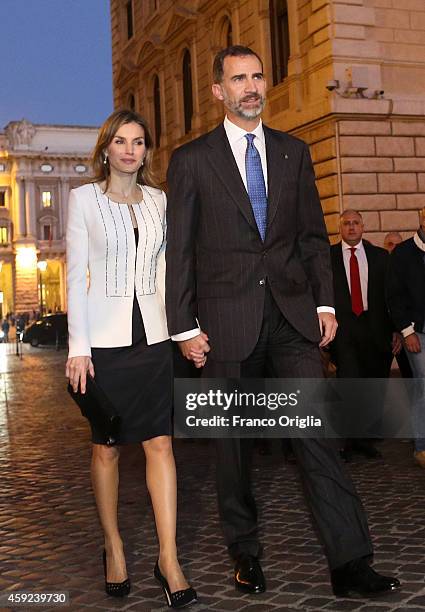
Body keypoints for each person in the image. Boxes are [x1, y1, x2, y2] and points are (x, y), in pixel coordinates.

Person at [165, 45, 400, 598]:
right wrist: (184, 326)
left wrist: (323, 303)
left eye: (256, 76)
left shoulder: (294, 152)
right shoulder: (192, 160)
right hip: (225, 324)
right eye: (238, 79)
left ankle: (350, 562)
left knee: (317, 436)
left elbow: (313, 238)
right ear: (218, 91)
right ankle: (244, 550)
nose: (250, 87)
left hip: (293, 320)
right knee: (234, 448)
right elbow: (180, 252)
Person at [65, 109, 196, 608]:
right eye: (120, 141)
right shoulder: (83, 201)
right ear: (106, 148)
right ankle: (114, 545)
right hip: (104, 341)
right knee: (107, 446)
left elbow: (169, 270)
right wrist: (78, 348)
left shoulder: (160, 201)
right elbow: (75, 276)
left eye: (138, 142)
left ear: (146, 150)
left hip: (154, 339)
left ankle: (169, 558)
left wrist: (183, 330)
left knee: (160, 444)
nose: (129, 150)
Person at [330, 210, 398, 461]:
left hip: (375, 328)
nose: (351, 227)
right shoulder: (328, 257)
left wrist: (395, 330)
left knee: (373, 384)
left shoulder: (380, 257)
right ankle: (349, 440)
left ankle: (366, 439)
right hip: (344, 328)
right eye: (346, 223)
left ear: (363, 227)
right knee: (349, 382)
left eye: (355, 223)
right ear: (340, 228)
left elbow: (390, 296)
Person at [387, 209, 425, 468]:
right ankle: (422, 446)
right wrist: (407, 331)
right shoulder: (403, 253)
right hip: (418, 333)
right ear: (422, 220)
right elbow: (394, 297)